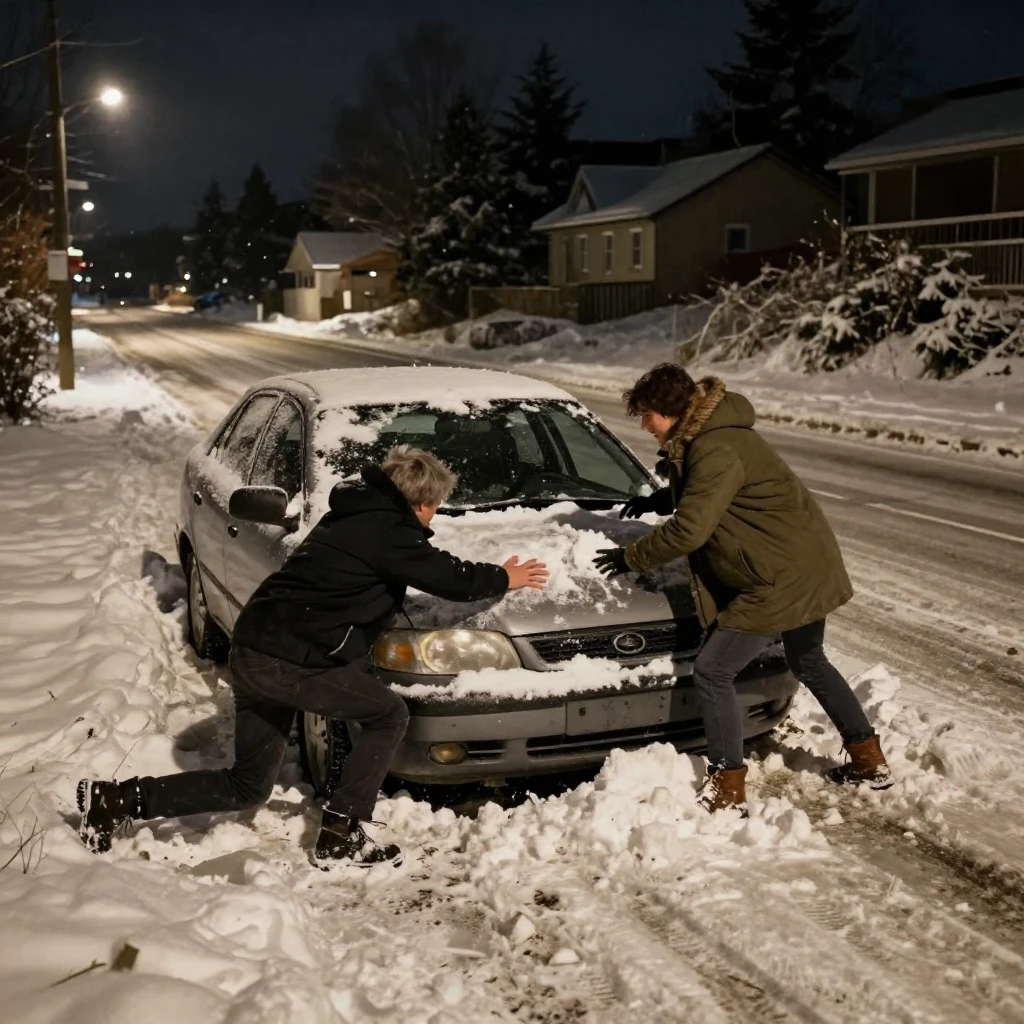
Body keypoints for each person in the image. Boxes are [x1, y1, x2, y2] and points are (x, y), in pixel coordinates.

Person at [79, 446, 549, 865]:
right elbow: (452, 578)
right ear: (421, 502)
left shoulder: (353, 515)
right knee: (388, 714)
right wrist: (504, 576)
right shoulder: (387, 531)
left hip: (257, 647)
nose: (434, 517)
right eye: (434, 508)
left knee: (247, 785)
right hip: (285, 660)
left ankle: (114, 800)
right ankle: (341, 832)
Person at [593, 365, 891, 814]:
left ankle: (727, 786)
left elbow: (690, 530)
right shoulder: (711, 435)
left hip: (778, 578)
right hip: (804, 565)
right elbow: (714, 490)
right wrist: (661, 499)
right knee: (808, 658)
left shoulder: (716, 447)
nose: (643, 425)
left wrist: (629, 557)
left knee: (713, 670)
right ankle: (868, 759)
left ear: (671, 412)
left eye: (647, 414)